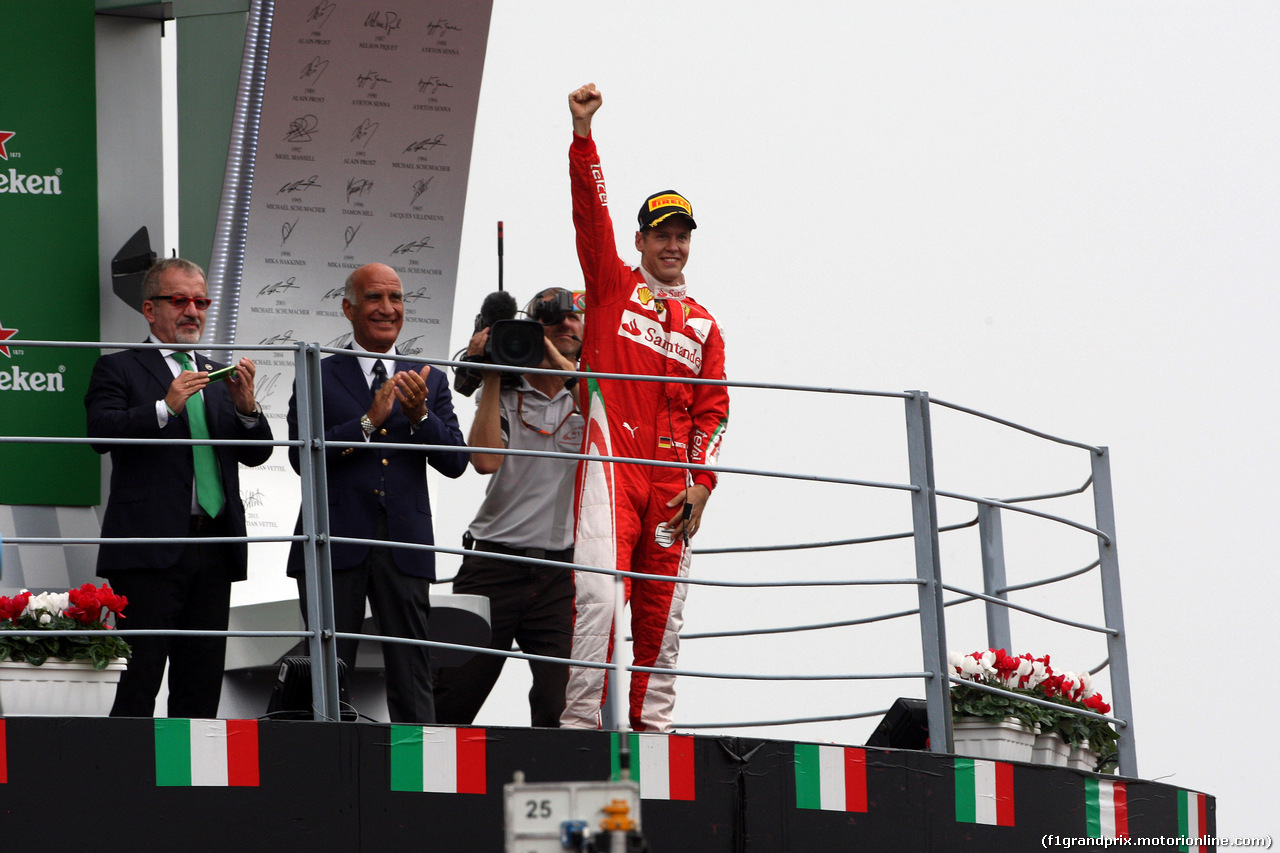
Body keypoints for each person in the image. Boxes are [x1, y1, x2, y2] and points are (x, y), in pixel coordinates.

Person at [561, 83, 729, 732]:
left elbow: (714, 410)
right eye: (662, 233)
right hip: (611, 464)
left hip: (671, 484)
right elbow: (589, 213)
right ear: (640, 239)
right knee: (600, 594)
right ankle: (579, 723)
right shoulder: (611, 283)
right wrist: (583, 138)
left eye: (682, 235)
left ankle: (655, 732)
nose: (674, 245)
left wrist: (703, 484)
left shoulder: (706, 325)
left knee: (665, 610)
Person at [85, 257, 273, 718]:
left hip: (215, 543)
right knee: (139, 678)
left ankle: (189, 786)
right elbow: (100, 434)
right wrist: (164, 407)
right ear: (150, 310)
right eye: (180, 300)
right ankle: (127, 783)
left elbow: (257, 453)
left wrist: (248, 410)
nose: (193, 311)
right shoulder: (120, 368)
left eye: (201, 301)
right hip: (150, 548)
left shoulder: (218, 373)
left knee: (200, 682)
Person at [286, 262, 467, 724]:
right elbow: (300, 460)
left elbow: (456, 462)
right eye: (374, 298)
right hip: (333, 542)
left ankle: (417, 774)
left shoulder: (429, 376)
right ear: (349, 308)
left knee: (411, 669)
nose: (388, 309)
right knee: (328, 670)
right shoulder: (318, 373)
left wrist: (422, 416)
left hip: (403, 543)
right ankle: (329, 770)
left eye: (396, 298)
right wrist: (370, 419)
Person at [433, 288, 585, 728]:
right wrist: (493, 371)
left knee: (562, 709)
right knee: (451, 702)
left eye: (574, 321)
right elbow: (484, 461)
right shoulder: (503, 393)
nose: (565, 327)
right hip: (492, 564)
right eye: (552, 324)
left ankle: (555, 794)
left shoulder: (591, 397)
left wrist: (560, 363)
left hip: (559, 573)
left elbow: (609, 409)